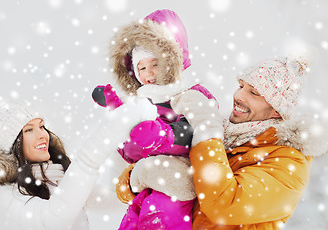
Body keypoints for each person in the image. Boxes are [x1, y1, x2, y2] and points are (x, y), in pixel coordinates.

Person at [116, 55, 328, 229]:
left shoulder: (288, 164)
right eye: (241, 86)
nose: (239, 96)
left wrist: (206, 131)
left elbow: (224, 203)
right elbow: (140, 190)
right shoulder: (225, 137)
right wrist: (138, 176)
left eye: (253, 93)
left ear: (276, 110)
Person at [92, 9, 217, 229]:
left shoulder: (190, 94)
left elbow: (202, 133)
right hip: (147, 185)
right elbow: (131, 153)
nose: (148, 74)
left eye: (155, 64)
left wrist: (162, 135)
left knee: (159, 218)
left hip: (178, 187)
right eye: (141, 67)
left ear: (172, 60)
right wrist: (118, 111)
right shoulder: (145, 104)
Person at [0, 99, 156, 230]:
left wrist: (125, 148)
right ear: (11, 144)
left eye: (41, 126)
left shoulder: (57, 175)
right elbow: (52, 220)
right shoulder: (4, 195)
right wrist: (94, 151)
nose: (42, 134)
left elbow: (114, 200)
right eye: (29, 130)